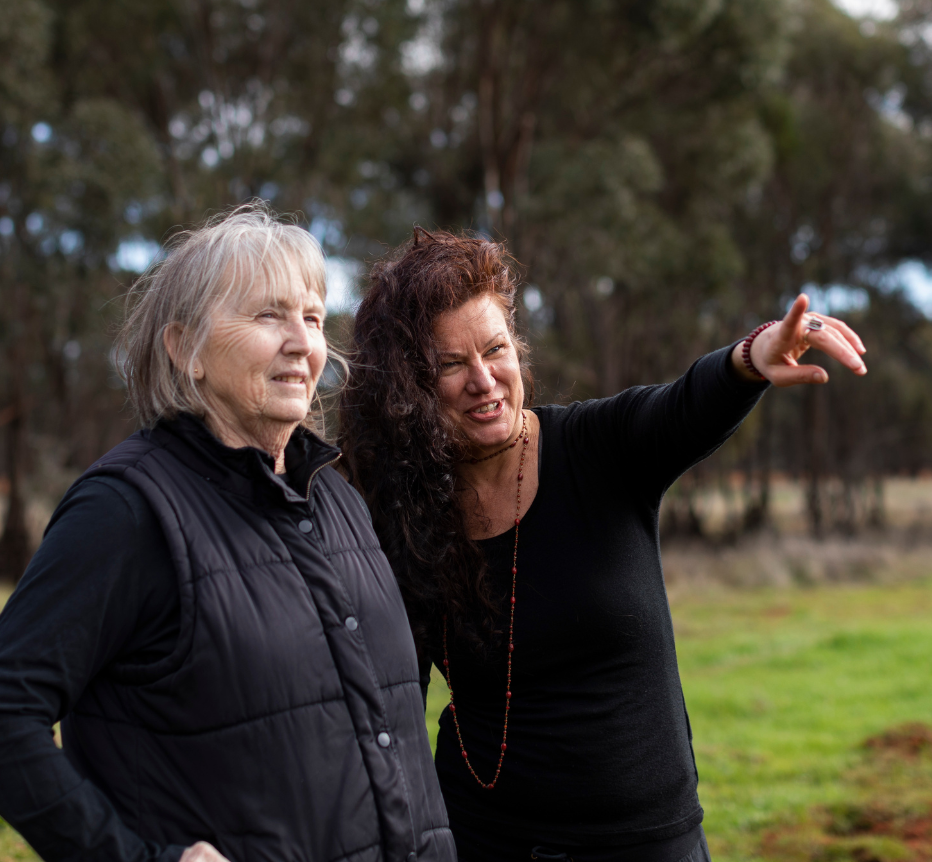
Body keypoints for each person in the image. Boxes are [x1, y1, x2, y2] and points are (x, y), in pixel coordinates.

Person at [0, 205, 456, 862]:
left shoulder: (336, 496)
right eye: (270, 315)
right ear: (185, 348)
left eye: (313, 317)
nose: (302, 342)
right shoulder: (128, 511)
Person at [338, 230, 866, 862]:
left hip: (644, 843)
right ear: (409, 390)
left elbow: (680, 407)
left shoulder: (599, 448)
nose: (484, 380)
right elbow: (392, 701)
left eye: (495, 349)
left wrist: (750, 358)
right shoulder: (402, 510)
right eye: (450, 365)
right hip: (483, 839)